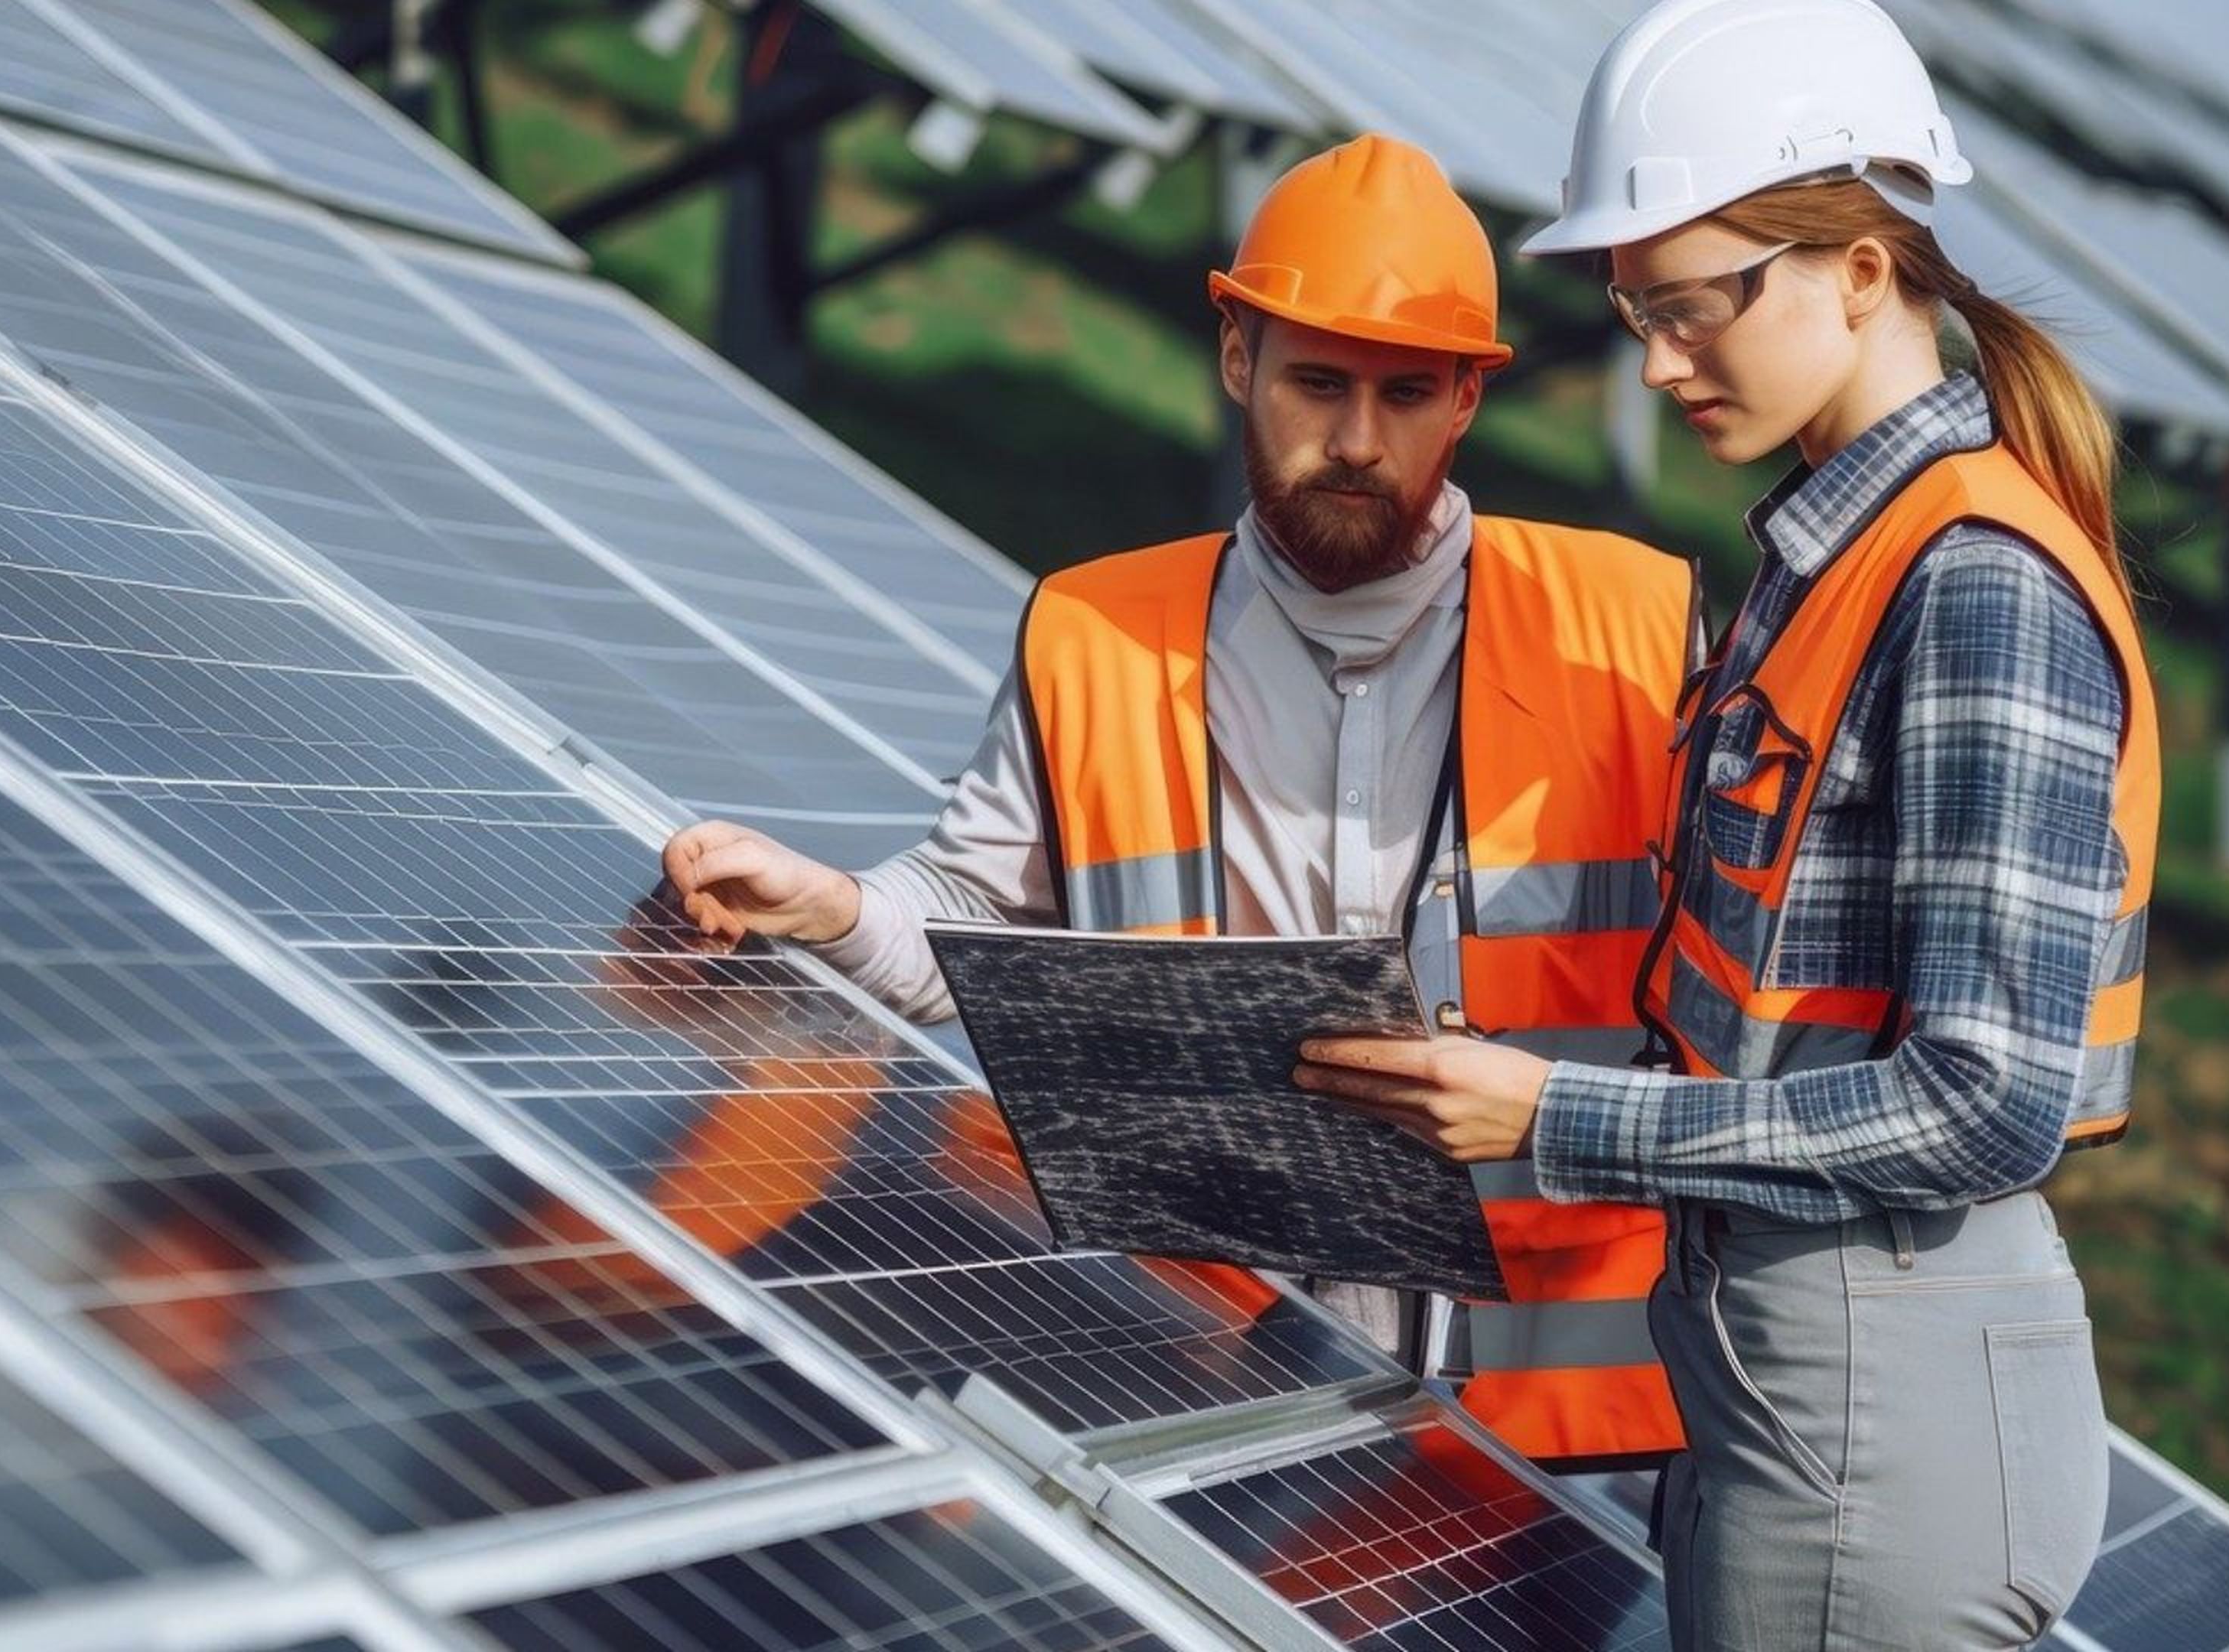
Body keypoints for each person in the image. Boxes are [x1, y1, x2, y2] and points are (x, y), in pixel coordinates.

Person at [1294, 2, 2157, 1644]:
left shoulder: (1977, 587)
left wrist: (1555, 1118)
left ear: (1858, 266)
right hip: (1795, 1361)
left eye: (1694, 307)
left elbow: (1986, 1107)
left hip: (1874, 1385)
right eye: (1635, 314)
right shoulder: (1838, 556)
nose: (1660, 361)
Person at [661, 135, 1697, 1475]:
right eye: (1318, 385)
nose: (1358, 441)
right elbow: (976, 919)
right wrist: (839, 908)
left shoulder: (1636, 628)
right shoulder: (1093, 631)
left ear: (1466, 405)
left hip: (1563, 1431)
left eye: (1407, 393)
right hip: (1196, 1391)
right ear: (1236, 362)